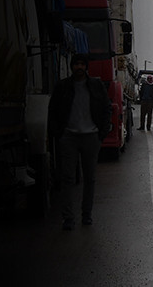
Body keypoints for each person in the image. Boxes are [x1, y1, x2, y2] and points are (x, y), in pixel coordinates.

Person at [48, 53, 112, 230]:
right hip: (69, 137)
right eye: (76, 64)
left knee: (90, 178)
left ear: (86, 67)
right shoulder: (63, 87)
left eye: (82, 64)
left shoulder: (96, 86)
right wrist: (58, 134)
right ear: (72, 67)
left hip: (91, 137)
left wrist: (101, 133)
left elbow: (106, 108)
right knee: (67, 178)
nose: (79, 67)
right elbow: (53, 110)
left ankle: (86, 215)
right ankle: (68, 218)